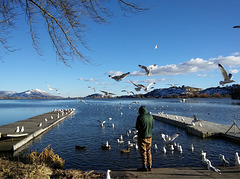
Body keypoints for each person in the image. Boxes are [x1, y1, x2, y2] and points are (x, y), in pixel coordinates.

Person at [136, 105, 154, 172]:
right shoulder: (151, 116)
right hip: (150, 136)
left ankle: (144, 166)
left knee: (143, 152)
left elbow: (137, 127)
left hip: (142, 137)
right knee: (149, 151)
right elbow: (152, 126)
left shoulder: (140, 117)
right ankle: (150, 166)